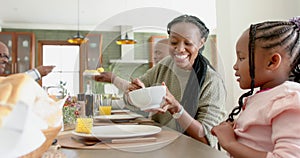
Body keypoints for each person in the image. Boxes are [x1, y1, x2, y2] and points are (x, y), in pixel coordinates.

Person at [123, 15, 226, 147]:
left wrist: (177, 109)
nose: (180, 49)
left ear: (201, 43)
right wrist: (134, 93)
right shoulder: (165, 65)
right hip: (162, 146)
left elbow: (207, 139)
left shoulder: (212, 82)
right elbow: (128, 101)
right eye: (174, 42)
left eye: (188, 43)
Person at [211, 17, 300, 157]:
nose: (235, 66)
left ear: (272, 62)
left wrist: (230, 143)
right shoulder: (266, 96)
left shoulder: (288, 100)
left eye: (241, 58)